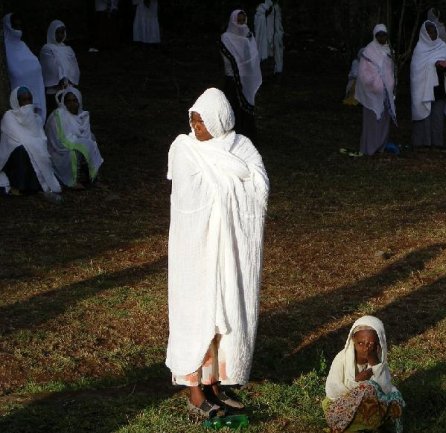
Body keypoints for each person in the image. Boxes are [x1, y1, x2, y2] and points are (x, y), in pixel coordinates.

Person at [166, 88, 269, 417]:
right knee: (196, 315)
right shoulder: (185, 150)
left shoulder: (241, 147)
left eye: (201, 120)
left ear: (219, 120)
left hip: (231, 250)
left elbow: (260, 186)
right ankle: (194, 390)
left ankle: (215, 385)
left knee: (227, 314)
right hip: (195, 251)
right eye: (193, 119)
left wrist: (226, 191)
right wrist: (228, 187)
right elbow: (188, 199)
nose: (195, 125)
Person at [323, 315, 404, 433]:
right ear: (353, 341)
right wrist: (357, 383)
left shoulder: (378, 361)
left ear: (379, 345)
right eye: (360, 343)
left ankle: (370, 425)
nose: (365, 348)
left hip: (369, 408)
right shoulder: (342, 359)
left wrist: (374, 363)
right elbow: (333, 391)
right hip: (340, 408)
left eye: (371, 344)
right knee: (368, 387)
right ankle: (353, 427)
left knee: (395, 396)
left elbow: (385, 389)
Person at [0, 87, 61, 200]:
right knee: (22, 150)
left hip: (34, 148)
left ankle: (34, 185)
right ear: (17, 101)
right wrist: (34, 145)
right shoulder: (9, 116)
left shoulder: (36, 118)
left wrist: (37, 146)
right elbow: (17, 138)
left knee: (38, 152)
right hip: (13, 153)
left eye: (29, 99)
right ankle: (20, 186)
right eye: (24, 100)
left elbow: (42, 138)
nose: (27, 103)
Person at [410, 20, 446, 149]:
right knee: (423, 114)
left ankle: (437, 143)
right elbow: (416, 71)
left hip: (439, 87)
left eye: (434, 31)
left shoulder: (442, 46)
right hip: (423, 89)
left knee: (437, 116)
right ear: (425, 34)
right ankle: (423, 142)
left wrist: (445, 64)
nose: (433, 34)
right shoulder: (419, 49)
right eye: (430, 32)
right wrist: (433, 64)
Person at [45, 87, 103, 189]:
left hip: (74, 144)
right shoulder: (59, 115)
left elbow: (88, 136)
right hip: (58, 150)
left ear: (79, 101)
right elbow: (60, 140)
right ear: (64, 102)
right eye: (68, 101)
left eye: (74, 100)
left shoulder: (83, 116)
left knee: (92, 144)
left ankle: (93, 179)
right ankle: (74, 181)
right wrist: (81, 144)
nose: (72, 104)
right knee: (76, 151)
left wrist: (84, 143)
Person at [220, 10, 262, 141]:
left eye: (243, 20)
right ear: (233, 20)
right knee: (233, 106)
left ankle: (246, 133)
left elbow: (253, 57)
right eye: (239, 20)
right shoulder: (226, 37)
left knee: (246, 108)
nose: (241, 23)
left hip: (246, 79)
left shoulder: (248, 36)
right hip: (233, 80)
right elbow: (230, 58)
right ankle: (232, 135)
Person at [355, 24, 396, 156]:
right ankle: (370, 148)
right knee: (372, 121)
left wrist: (390, 83)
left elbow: (390, 70)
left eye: (384, 35)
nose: (382, 38)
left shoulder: (389, 51)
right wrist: (373, 82)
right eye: (379, 35)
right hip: (372, 93)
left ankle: (381, 146)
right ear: (375, 35)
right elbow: (363, 73)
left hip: (386, 93)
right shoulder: (368, 51)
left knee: (384, 120)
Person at [3, 13, 47, 125]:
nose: (18, 30)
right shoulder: (4, 49)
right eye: (15, 26)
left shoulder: (23, 45)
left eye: (19, 26)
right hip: (17, 99)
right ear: (8, 26)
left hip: (35, 96)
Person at [39, 20, 81, 115]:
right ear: (52, 32)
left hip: (69, 87)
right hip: (55, 88)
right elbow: (50, 66)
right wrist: (60, 79)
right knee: (56, 113)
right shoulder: (47, 48)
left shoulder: (68, 49)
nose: (60, 35)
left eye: (62, 32)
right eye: (58, 32)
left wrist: (70, 79)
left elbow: (74, 66)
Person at [254, 0, 284, 76]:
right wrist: (266, 12)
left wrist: (278, 33)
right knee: (264, 53)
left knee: (276, 53)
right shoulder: (262, 7)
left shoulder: (276, 7)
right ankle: (264, 73)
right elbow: (258, 19)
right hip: (265, 35)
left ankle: (276, 71)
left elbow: (278, 21)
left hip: (275, 35)